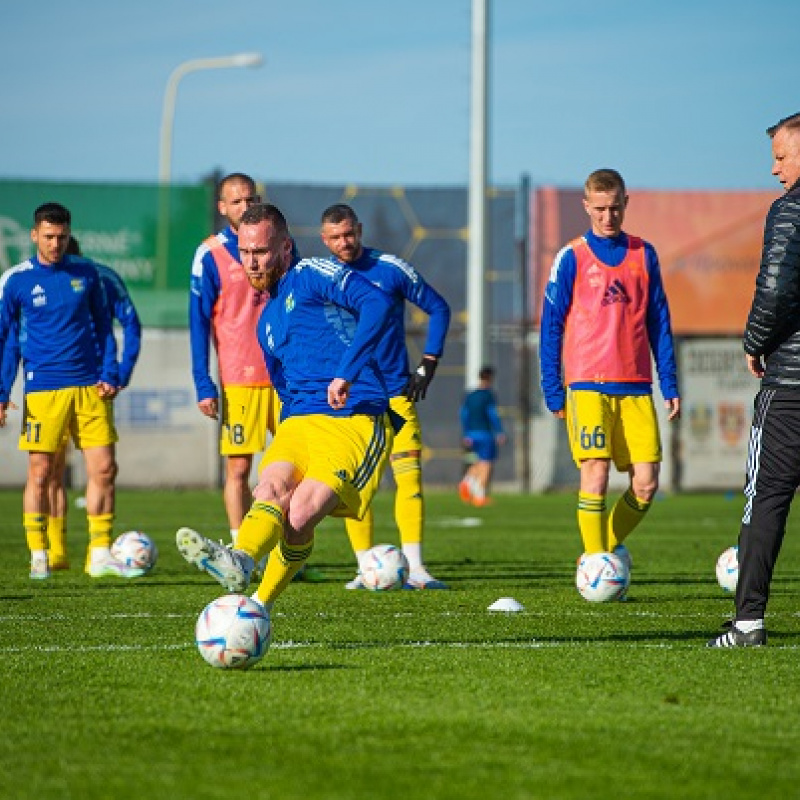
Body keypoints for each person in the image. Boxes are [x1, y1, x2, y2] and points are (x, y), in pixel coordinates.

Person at [176, 203, 396, 613]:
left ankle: (259, 601)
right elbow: (284, 385)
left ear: (284, 248)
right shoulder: (268, 322)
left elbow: (378, 305)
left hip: (353, 417)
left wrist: (346, 372)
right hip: (299, 422)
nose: (251, 262)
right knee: (270, 489)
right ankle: (240, 563)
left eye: (260, 251)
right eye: (244, 252)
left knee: (298, 517)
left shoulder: (312, 274)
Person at [539, 168, 680, 581]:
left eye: (614, 208)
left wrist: (669, 382)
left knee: (646, 483)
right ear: (587, 207)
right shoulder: (571, 257)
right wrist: (552, 387)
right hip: (586, 384)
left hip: (636, 385)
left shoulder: (644, 254)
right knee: (595, 471)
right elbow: (551, 326)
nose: (607, 217)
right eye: (599, 209)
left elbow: (659, 322)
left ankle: (605, 547)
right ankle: (596, 561)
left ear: (625, 204)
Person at [0, 203, 144, 579]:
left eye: (62, 236)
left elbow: (104, 325)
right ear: (34, 235)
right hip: (44, 389)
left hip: (90, 388)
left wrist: (110, 372)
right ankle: (39, 554)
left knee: (104, 468)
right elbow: (7, 341)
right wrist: (2, 391)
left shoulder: (87, 274)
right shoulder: (16, 281)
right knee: (41, 472)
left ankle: (99, 554)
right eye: (48, 236)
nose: (55, 243)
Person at [319, 203, 451, 590]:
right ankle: (365, 567)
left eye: (350, 233)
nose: (345, 242)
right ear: (325, 240)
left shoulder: (390, 269)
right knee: (358, 488)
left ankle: (417, 567)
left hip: (395, 395)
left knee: (410, 480)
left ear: (359, 229)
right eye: (336, 237)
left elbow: (438, 308)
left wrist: (428, 362)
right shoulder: (323, 278)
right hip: (354, 401)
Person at [708, 113, 800, 648]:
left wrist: (753, 341)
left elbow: (776, 286)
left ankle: (747, 625)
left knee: (764, 499)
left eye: (782, 157)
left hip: (790, 387)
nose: (774, 169)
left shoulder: (790, 211)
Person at [189, 173, 278, 548]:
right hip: (239, 377)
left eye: (250, 199)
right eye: (236, 201)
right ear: (222, 207)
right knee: (239, 468)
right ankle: (241, 550)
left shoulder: (278, 243)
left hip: (284, 376)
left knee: (284, 470)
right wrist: (203, 381)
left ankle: (286, 551)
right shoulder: (210, 253)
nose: (245, 207)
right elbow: (198, 321)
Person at [459, 365, 506, 506]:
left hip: (471, 435)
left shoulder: (470, 395)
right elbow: (492, 414)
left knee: (477, 461)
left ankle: (466, 482)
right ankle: (480, 495)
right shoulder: (488, 395)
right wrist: (500, 432)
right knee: (486, 464)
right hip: (485, 433)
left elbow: (463, 414)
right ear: (491, 378)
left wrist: (466, 433)